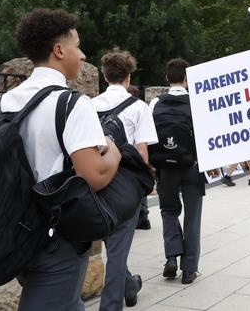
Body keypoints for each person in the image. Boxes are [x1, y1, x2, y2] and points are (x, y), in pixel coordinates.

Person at [10, 8, 121, 310]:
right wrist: (114, 151)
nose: (83, 55)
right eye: (77, 46)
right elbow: (93, 176)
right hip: (56, 236)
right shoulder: (72, 103)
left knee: (67, 302)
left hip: (12, 231)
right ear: (59, 51)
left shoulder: (3, 102)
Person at [92, 49, 158, 309]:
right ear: (128, 77)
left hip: (96, 179)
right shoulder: (139, 108)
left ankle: (130, 286)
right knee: (118, 252)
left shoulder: (90, 105)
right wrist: (143, 187)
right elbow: (142, 151)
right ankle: (110, 306)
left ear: (105, 76)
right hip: (125, 183)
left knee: (114, 244)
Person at [149, 58, 219, 284]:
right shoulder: (197, 102)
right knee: (193, 216)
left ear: (166, 78)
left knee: (168, 210)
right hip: (192, 166)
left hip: (165, 168)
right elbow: (207, 137)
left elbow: (150, 138)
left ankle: (171, 257)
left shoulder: (155, 104)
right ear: (187, 79)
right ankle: (189, 269)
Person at [126, 84, 152, 230]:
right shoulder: (141, 109)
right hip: (138, 155)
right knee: (141, 188)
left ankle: (139, 216)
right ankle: (143, 216)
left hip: (126, 155)